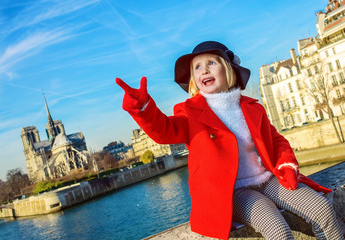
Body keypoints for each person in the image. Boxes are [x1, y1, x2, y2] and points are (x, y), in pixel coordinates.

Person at [116, 41, 344, 240]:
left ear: (228, 70)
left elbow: (276, 140)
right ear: (195, 80)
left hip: (267, 179)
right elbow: (165, 131)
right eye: (197, 67)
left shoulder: (250, 107)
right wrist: (144, 109)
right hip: (234, 192)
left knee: (322, 208)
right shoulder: (189, 112)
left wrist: (286, 163)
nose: (204, 69)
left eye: (211, 63)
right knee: (278, 232)